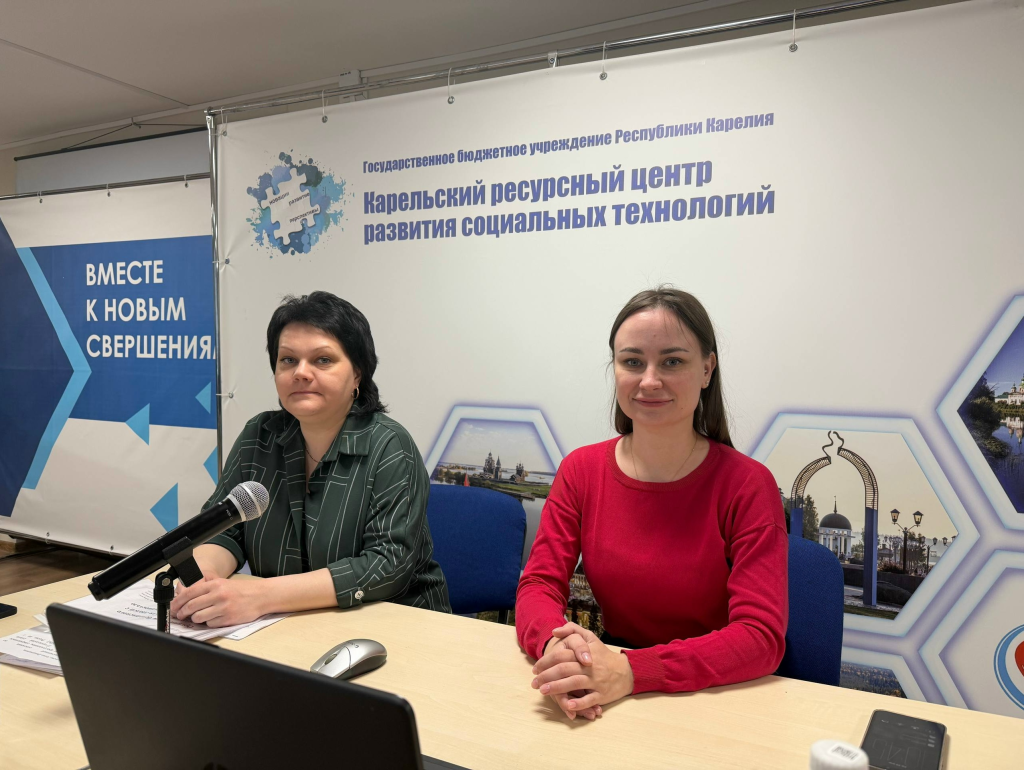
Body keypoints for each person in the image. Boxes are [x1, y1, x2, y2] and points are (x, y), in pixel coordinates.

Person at [516, 287, 787, 721]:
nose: (649, 381)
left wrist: (630, 671)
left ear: (707, 369)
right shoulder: (581, 470)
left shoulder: (748, 485)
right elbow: (538, 585)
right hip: (608, 688)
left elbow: (760, 637)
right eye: (632, 362)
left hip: (714, 696)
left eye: (672, 362)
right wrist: (560, 650)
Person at [171, 291, 451, 626]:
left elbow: (387, 565)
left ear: (358, 374)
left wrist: (261, 597)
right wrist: (201, 578)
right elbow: (223, 532)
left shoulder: (389, 445)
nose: (301, 373)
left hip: (394, 626)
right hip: (283, 627)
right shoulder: (259, 436)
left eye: (323, 360)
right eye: (288, 360)